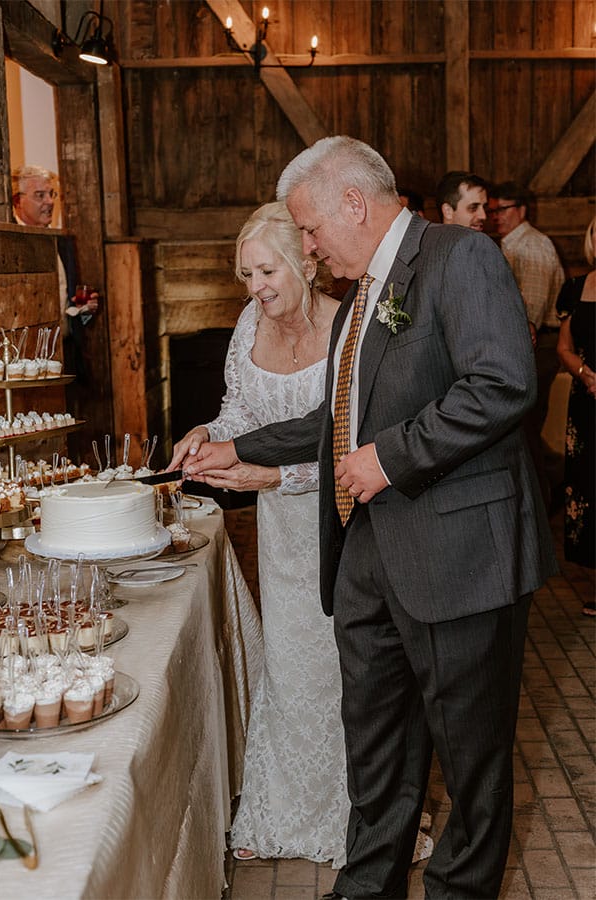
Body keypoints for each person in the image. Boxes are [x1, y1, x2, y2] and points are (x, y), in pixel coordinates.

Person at [186, 136, 558, 900]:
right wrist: (236, 446)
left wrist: (389, 459)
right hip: (369, 559)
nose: (311, 251)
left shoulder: (459, 258)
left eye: (312, 231)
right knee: (376, 748)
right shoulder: (363, 291)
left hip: (460, 560)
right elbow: (339, 415)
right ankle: (367, 887)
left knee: (470, 759)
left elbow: (503, 382)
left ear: (353, 203)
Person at [168, 202, 354, 866]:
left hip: (340, 524)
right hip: (279, 534)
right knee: (287, 662)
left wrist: (276, 480)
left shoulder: (348, 331)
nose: (255, 288)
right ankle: (278, 807)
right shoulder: (249, 323)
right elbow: (240, 409)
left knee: (338, 668)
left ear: (306, 261)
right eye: (246, 274)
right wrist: (207, 434)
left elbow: (348, 445)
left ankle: (346, 814)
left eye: (266, 270)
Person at [490, 181, 565, 509]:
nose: (495, 217)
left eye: (501, 210)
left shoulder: (531, 245)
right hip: (524, 348)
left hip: (537, 348)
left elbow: (529, 315)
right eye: (491, 210)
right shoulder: (510, 245)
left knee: (526, 428)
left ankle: (542, 503)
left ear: (521, 210)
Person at [12, 165, 99, 382]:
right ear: (17, 201)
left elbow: (69, 308)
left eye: (51, 194)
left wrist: (84, 311)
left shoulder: (62, 243)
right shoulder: (10, 245)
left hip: (65, 354)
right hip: (24, 364)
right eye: (39, 195)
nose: (50, 202)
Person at [556, 216, 596, 611]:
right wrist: (585, 374)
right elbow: (564, 348)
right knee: (588, 487)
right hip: (587, 405)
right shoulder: (574, 288)